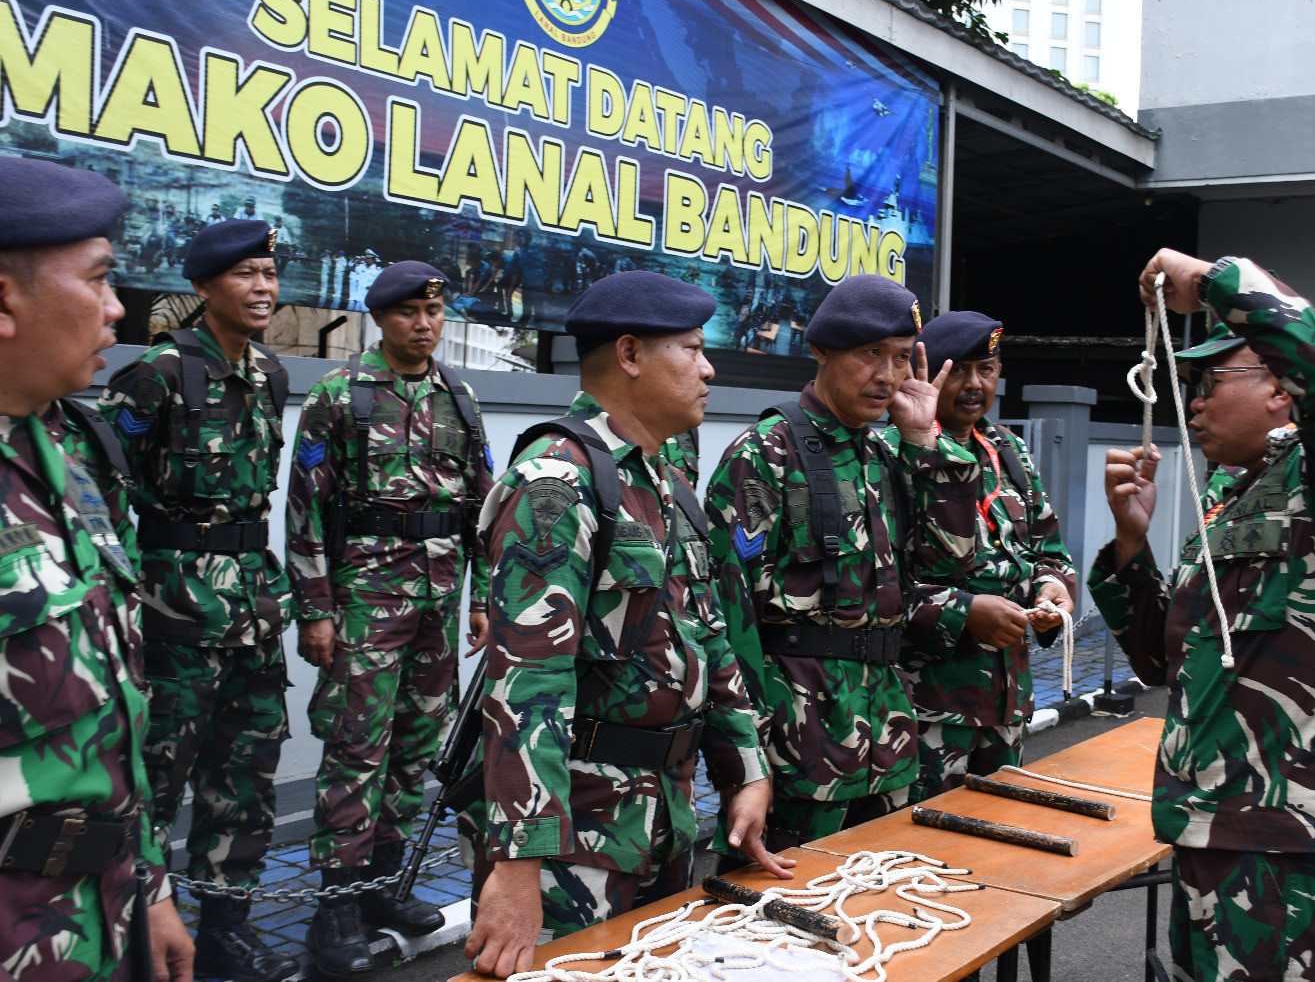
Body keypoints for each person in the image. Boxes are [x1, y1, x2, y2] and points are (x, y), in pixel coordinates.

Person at [1090, 250, 1315, 982]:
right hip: (1211, 824)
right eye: (1189, 384)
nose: (1193, 404)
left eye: (1212, 383)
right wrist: (1132, 546)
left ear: (1283, 390)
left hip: (1287, 844)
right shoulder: (1236, 498)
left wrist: (1216, 280)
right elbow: (1166, 664)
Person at [464, 271, 786, 978]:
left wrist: (746, 770)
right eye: (693, 350)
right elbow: (526, 682)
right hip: (576, 838)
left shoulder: (664, 482)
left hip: (663, 815)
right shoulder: (557, 482)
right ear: (632, 354)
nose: (708, 370)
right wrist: (520, 866)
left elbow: (709, 636)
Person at [703, 274, 980, 857]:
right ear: (821, 351)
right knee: (780, 927)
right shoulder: (764, 455)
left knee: (876, 913)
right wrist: (745, 763)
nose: (887, 376)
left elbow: (951, 561)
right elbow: (731, 622)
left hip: (888, 738)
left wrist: (924, 443)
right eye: (869, 354)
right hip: (801, 742)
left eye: (902, 358)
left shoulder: (888, 451)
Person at [0, 158, 194, 982]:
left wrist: (148, 887)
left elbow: (113, 703)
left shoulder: (68, 448)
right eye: (101, 280)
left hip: (101, 909)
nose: (120, 309)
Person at [98, 219, 296, 982]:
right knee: (161, 772)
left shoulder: (271, 375)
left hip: (252, 603)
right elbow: (109, 494)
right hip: (175, 609)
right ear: (205, 287)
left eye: (270, 274)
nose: (263, 288)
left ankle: (226, 927)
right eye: (245, 274)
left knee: (244, 773)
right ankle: (142, 923)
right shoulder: (155, 375)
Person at [285, 262, 494, 977]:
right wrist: (314, 610)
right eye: (408, 312)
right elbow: (305, 508)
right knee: (356, 749)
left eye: (433, 312)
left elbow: (485, 511)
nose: (424, 324)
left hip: (438, 603)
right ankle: (335, 907)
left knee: (415, 745)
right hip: (365, 607)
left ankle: (384, 886)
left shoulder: (459, 400)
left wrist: (481, 600)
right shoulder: (340, 396)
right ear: (382, 318)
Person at [902, 310, 1076, 798]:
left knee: (996, 846)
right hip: (928, 709)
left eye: (988, 368)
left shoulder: (1008, 451)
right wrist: (964, 611)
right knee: (917, 855)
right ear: (927, 373)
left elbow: (1049, 548)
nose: (974, 384)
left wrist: (1052, 590)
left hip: (1007, 706)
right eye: (957, 370)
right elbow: (874, 583)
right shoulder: (895, 451)